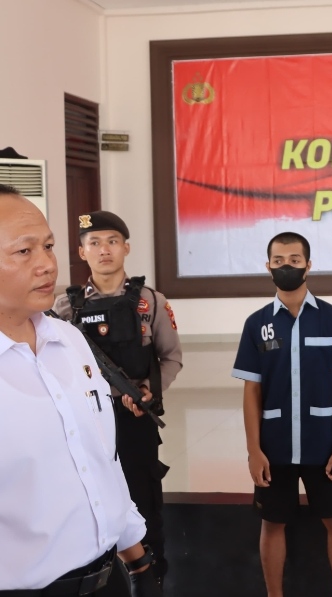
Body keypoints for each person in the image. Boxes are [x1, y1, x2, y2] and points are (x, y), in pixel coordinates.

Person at [0, 185, 160, 596]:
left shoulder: (69, 339)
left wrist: (137, 560)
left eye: (48, 246)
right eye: (24, 251)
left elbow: (99, 460)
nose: (47, 265)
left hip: (108, 578)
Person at [52, 211, 183, 589]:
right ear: (82, 252)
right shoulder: (64, 308)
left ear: (126, 247)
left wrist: (150, 393)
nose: (104, 250)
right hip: (86, 423)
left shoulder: (151, 302)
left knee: (143, 501)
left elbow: (171, 358)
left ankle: (151, 577)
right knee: (88, 499)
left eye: (112, 241)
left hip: (134, 419)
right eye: (94, 243)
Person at [231, 232, 332, 597]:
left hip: (324, 446)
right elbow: (251, 391)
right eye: (278, 261)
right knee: (272, 525)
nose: (286, 266)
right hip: (274, 447)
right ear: (268, 266)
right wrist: (254, 451)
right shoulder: (257, 324)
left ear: (308, 265)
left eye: (294, 260)